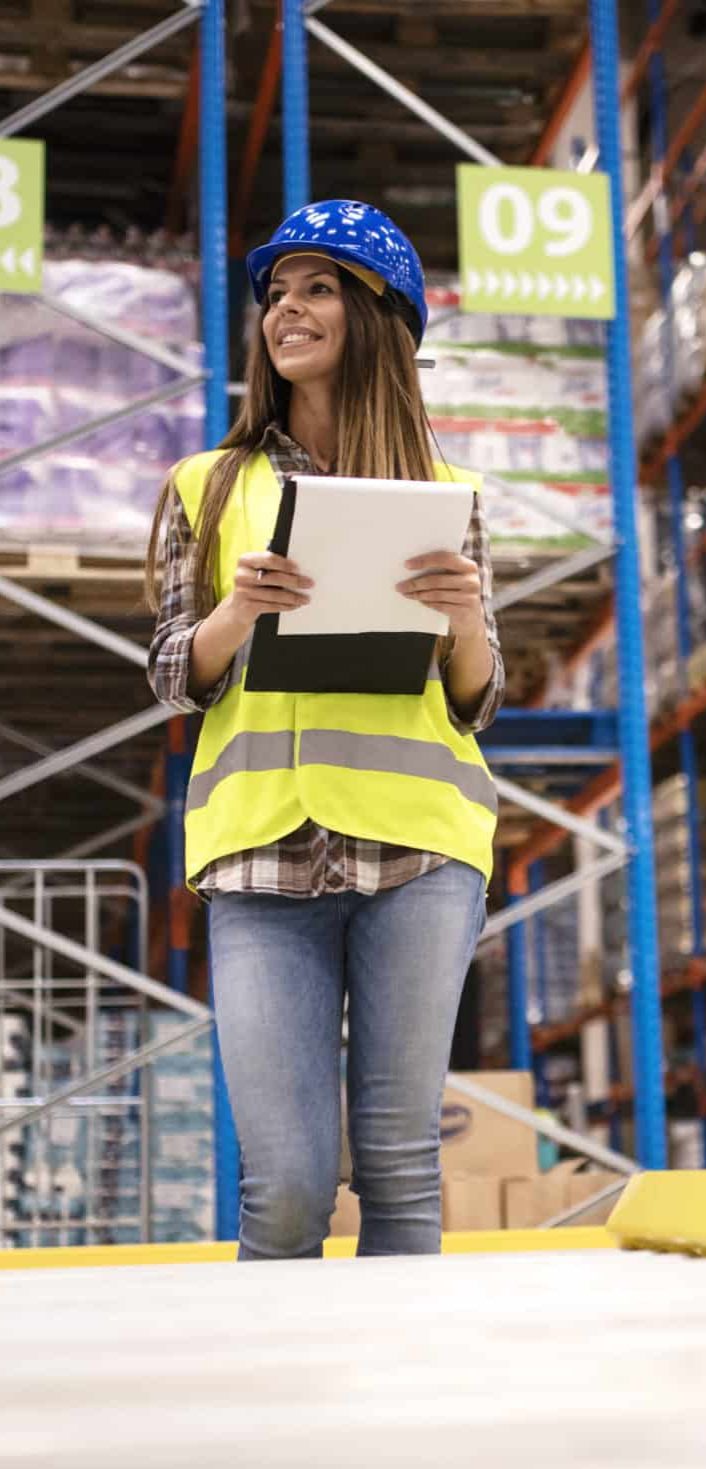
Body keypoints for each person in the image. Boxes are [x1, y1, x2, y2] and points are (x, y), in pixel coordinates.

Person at [145, 201, 504, 1261]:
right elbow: (172, 674)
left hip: (421, 848)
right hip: (259, 853)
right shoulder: (205, 490)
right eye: (275, 293)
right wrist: (237, 613)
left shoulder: (447, 495)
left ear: (378, 313)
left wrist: (466, 616)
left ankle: (403, 1416)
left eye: (316, 287)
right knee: (290, 1187)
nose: (285, 310)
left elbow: (478, 699)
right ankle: (275, 1420)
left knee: (398, 1168)